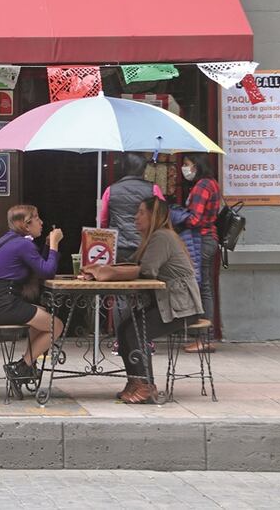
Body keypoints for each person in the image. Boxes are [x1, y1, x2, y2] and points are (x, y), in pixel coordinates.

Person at [82, 196, 203, 404]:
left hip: (181, 307)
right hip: (168, 304)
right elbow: (135, 266)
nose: (135, 217)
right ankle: (135, 381)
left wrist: (109, 272)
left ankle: (146, 386)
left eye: (141, 212)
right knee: (125, 329)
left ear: (153, 215)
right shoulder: (153, 238)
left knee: (134, 332)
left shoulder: (162, 237)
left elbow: (147, 271)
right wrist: (103, 269)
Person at [0, 204, 65, 399]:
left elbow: (38, 266)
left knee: (41, 314)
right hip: (2, 305)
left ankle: (27, 366)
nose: (41, 222)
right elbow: (47, 271)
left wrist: (46, 246)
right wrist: (54, 245)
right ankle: (21, 368)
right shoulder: (22, 244)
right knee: (55, 325)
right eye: (37, 218)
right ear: (26, 224)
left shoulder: (7, 241)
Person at [172, 153, 220, 353]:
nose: (185, 168)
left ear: (197, 166)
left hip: (201, 239)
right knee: (205, 286)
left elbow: (195, 220)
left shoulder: (202, 186)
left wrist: (177, 215)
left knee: (202, 288)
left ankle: (204, 337)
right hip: (208, 239)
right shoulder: (212, 184)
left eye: (187, 164)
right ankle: (204, 337)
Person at [100, 153, 165, 263]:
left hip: (118, 246)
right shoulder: (154, 189)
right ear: (143, 169)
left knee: (121, 277)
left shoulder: (110, 190)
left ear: (123, 168)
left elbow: (103, 221)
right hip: (146, 244)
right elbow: (163, 216)